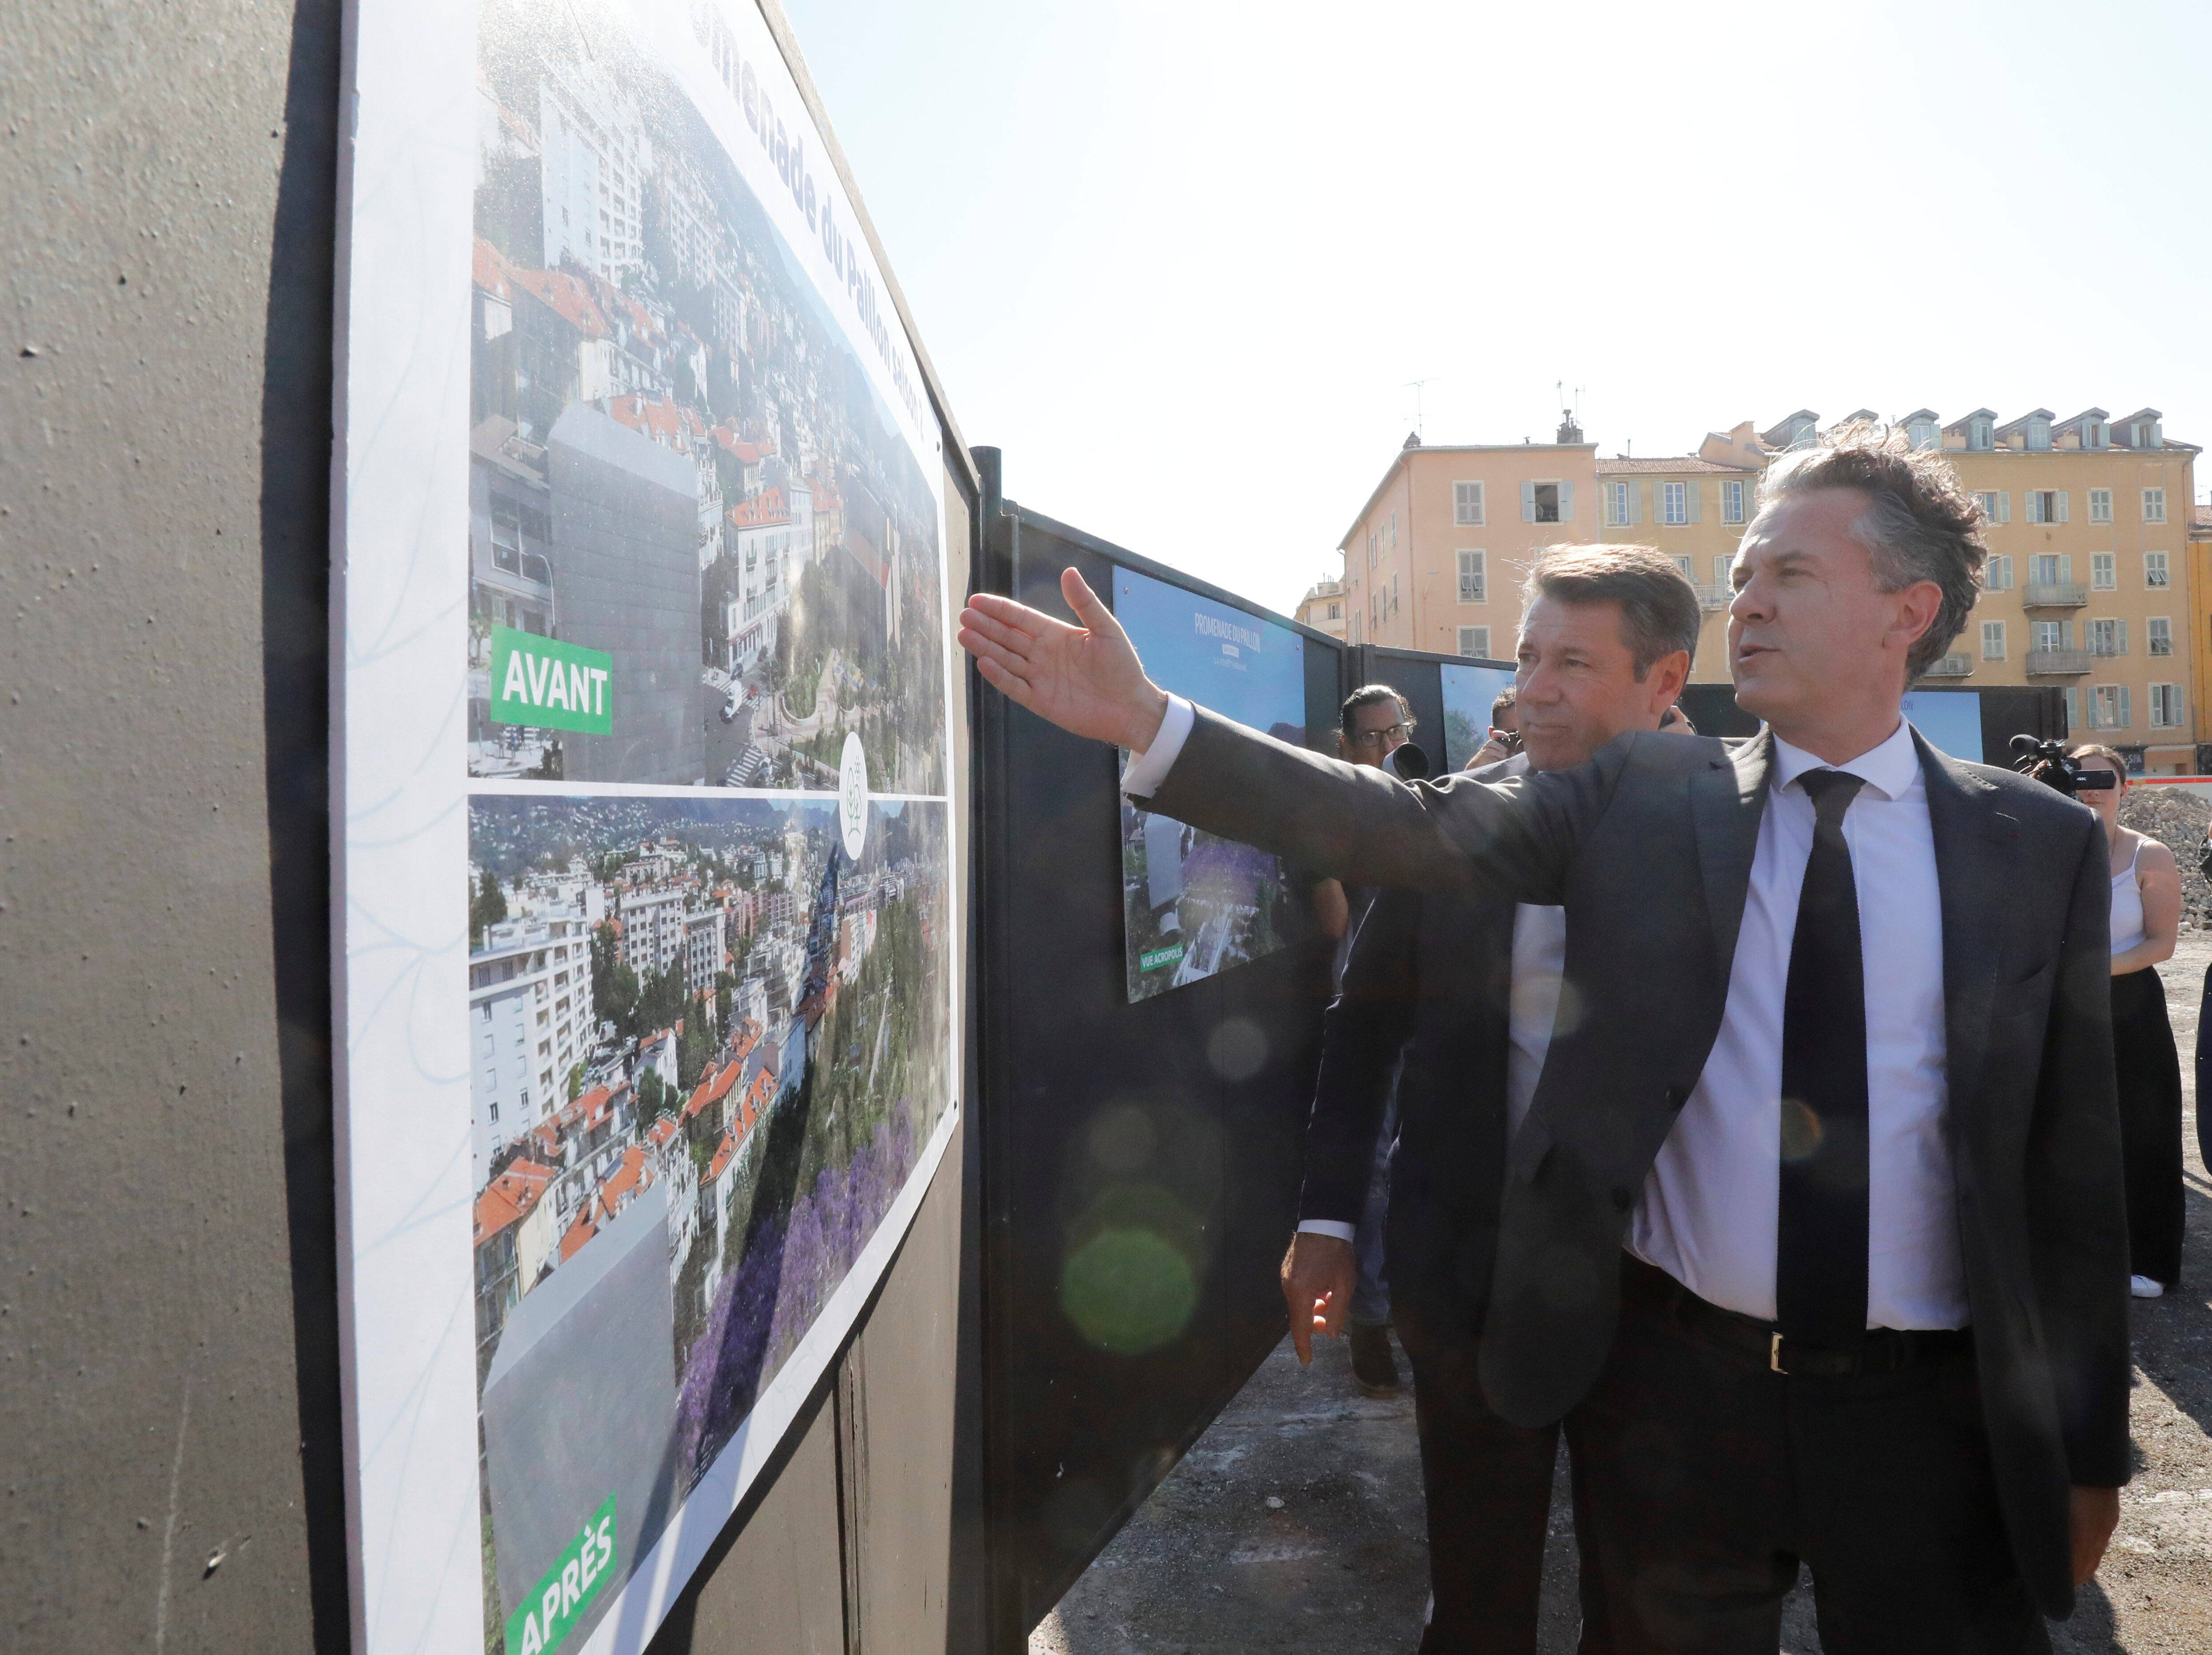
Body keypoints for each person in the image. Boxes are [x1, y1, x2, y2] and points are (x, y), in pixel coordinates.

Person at [958, 424, 2128, 1652]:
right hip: (1683, 1406)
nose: (1746, 601)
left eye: (1788, 573)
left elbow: (2071, 1174)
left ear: (1906, 610)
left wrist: (2087, 1444)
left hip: (1928, 1419)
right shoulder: (1647, 798)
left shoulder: (2030, 845)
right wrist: (1153, 722)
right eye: (1741, 574)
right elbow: (1402, 822)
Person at [1286, 546, 1694, 1651]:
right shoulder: (1455, 820)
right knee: (1475, 1581)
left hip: (1662, 1289)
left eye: (1573, 662)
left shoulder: (1736, 830)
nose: (1531, 690)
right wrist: (1327, 1218)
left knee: (1646, 1593)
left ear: (1663, 679)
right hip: (1466, 1262)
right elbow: (1363, 1024)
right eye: (1525, 657)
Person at [1316, 683, 1421, 1392]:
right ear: (1345, 745)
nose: (1388, 747)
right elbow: (1333, 922)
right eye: (1372, 736)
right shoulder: (1335, 810)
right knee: (1377, 1168)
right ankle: (1371, 1322)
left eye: (1396, 732)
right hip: (1372, 1010)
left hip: (1437, 1003)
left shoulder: (1434, 795)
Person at [2072, 744, 2183, 1297]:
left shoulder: (2149, 856)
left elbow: (2162, 943)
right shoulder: (2050, 851)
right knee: (2071, 1130)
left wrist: (2095, 970)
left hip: (2129, 1003)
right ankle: (2080, 1254)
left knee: (2144, 1131)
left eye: (2102, 779)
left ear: (2124, 788)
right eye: (2079, 779)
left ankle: (2151, 1260)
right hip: (2064, 1006)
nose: (2090, 790)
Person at [1466, 684, 1520, 769]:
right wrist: (1475, 769)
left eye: (1525, 734)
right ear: (1493, 734)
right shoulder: (1488, 766)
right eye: (1513, 736)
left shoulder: (1542, 767)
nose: (1520, 743)